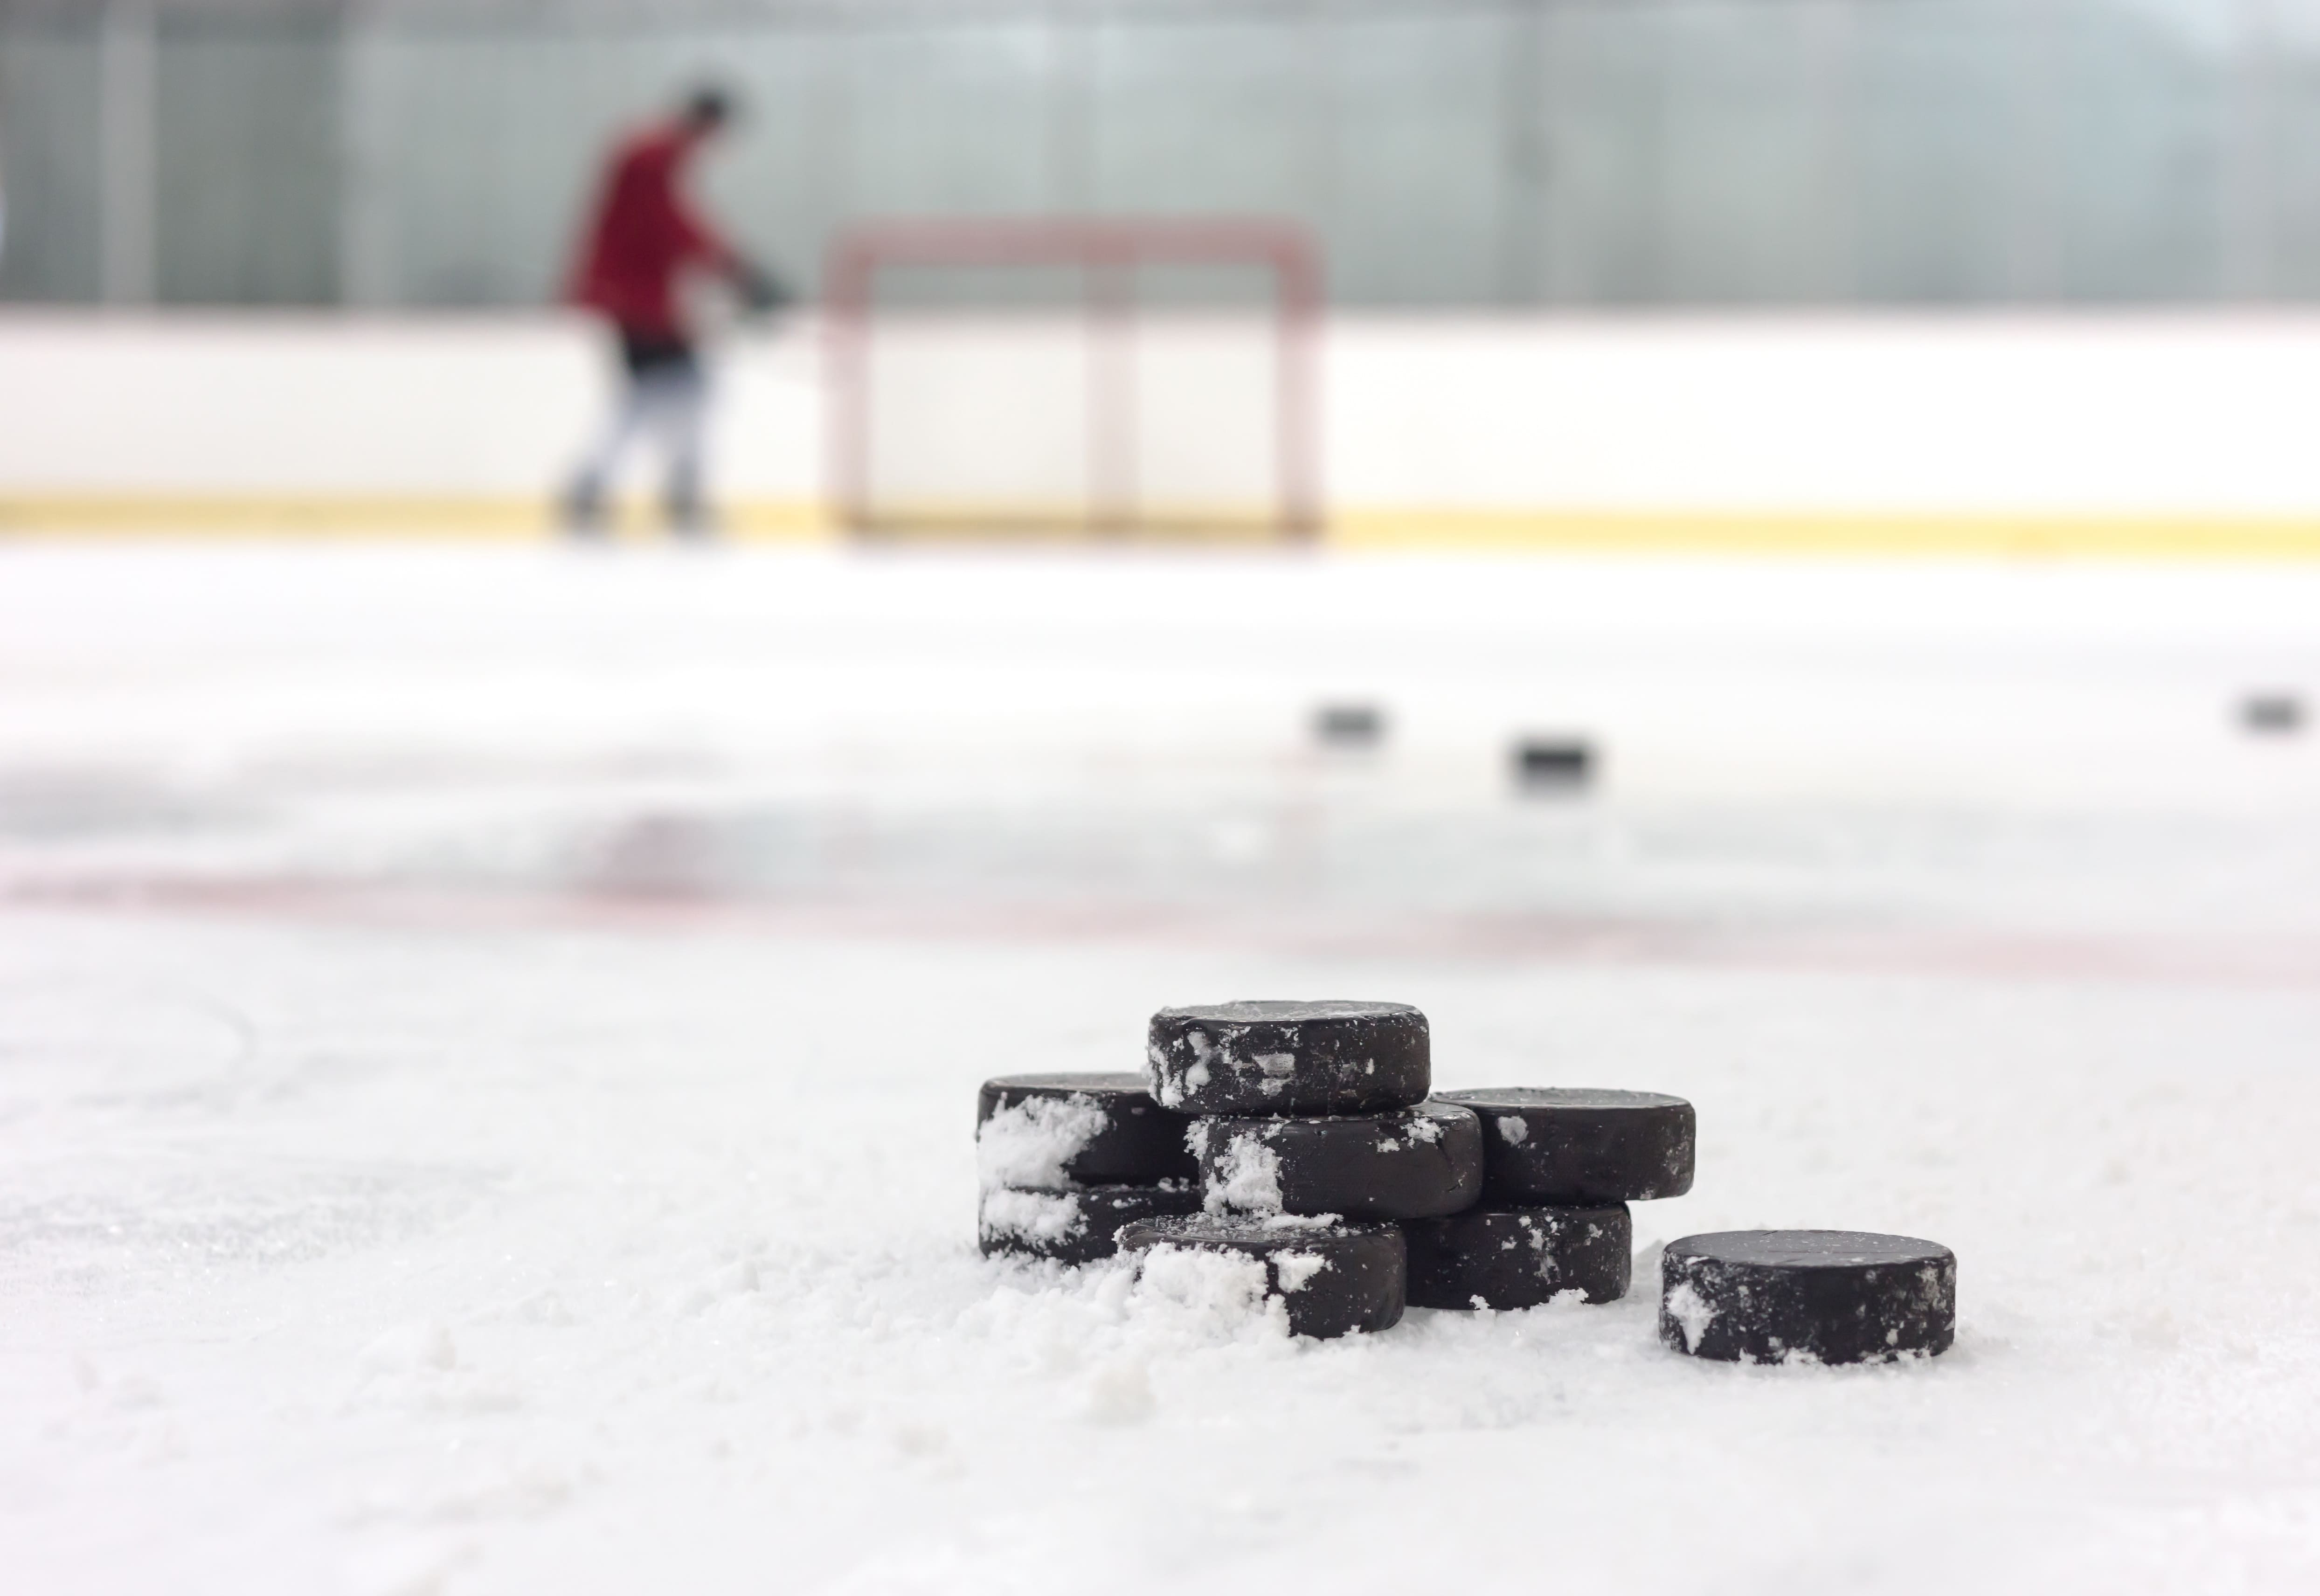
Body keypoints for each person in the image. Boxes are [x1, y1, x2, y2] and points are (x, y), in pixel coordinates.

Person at [562, 86, 785, 539]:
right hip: (633, 296)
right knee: (663, 393)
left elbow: (673, 226)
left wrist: (733, 273)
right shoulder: (653, 154)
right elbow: (668, 224)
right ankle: (627, 491)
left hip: (638, 295)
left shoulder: (655, 151)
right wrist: (737, 271)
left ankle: (647, 490)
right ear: (710, 123)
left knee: (673, 391)